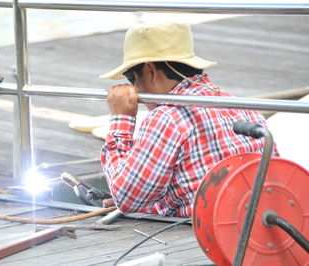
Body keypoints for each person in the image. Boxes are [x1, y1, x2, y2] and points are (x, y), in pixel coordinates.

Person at [99, 22, 278, 217]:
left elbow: (126, 198)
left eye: (131, 78)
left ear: (150, 70)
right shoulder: (240, 106)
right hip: (257, 220)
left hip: (205, 232)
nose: (135, 88)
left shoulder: (167, 117)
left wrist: (121, 120)